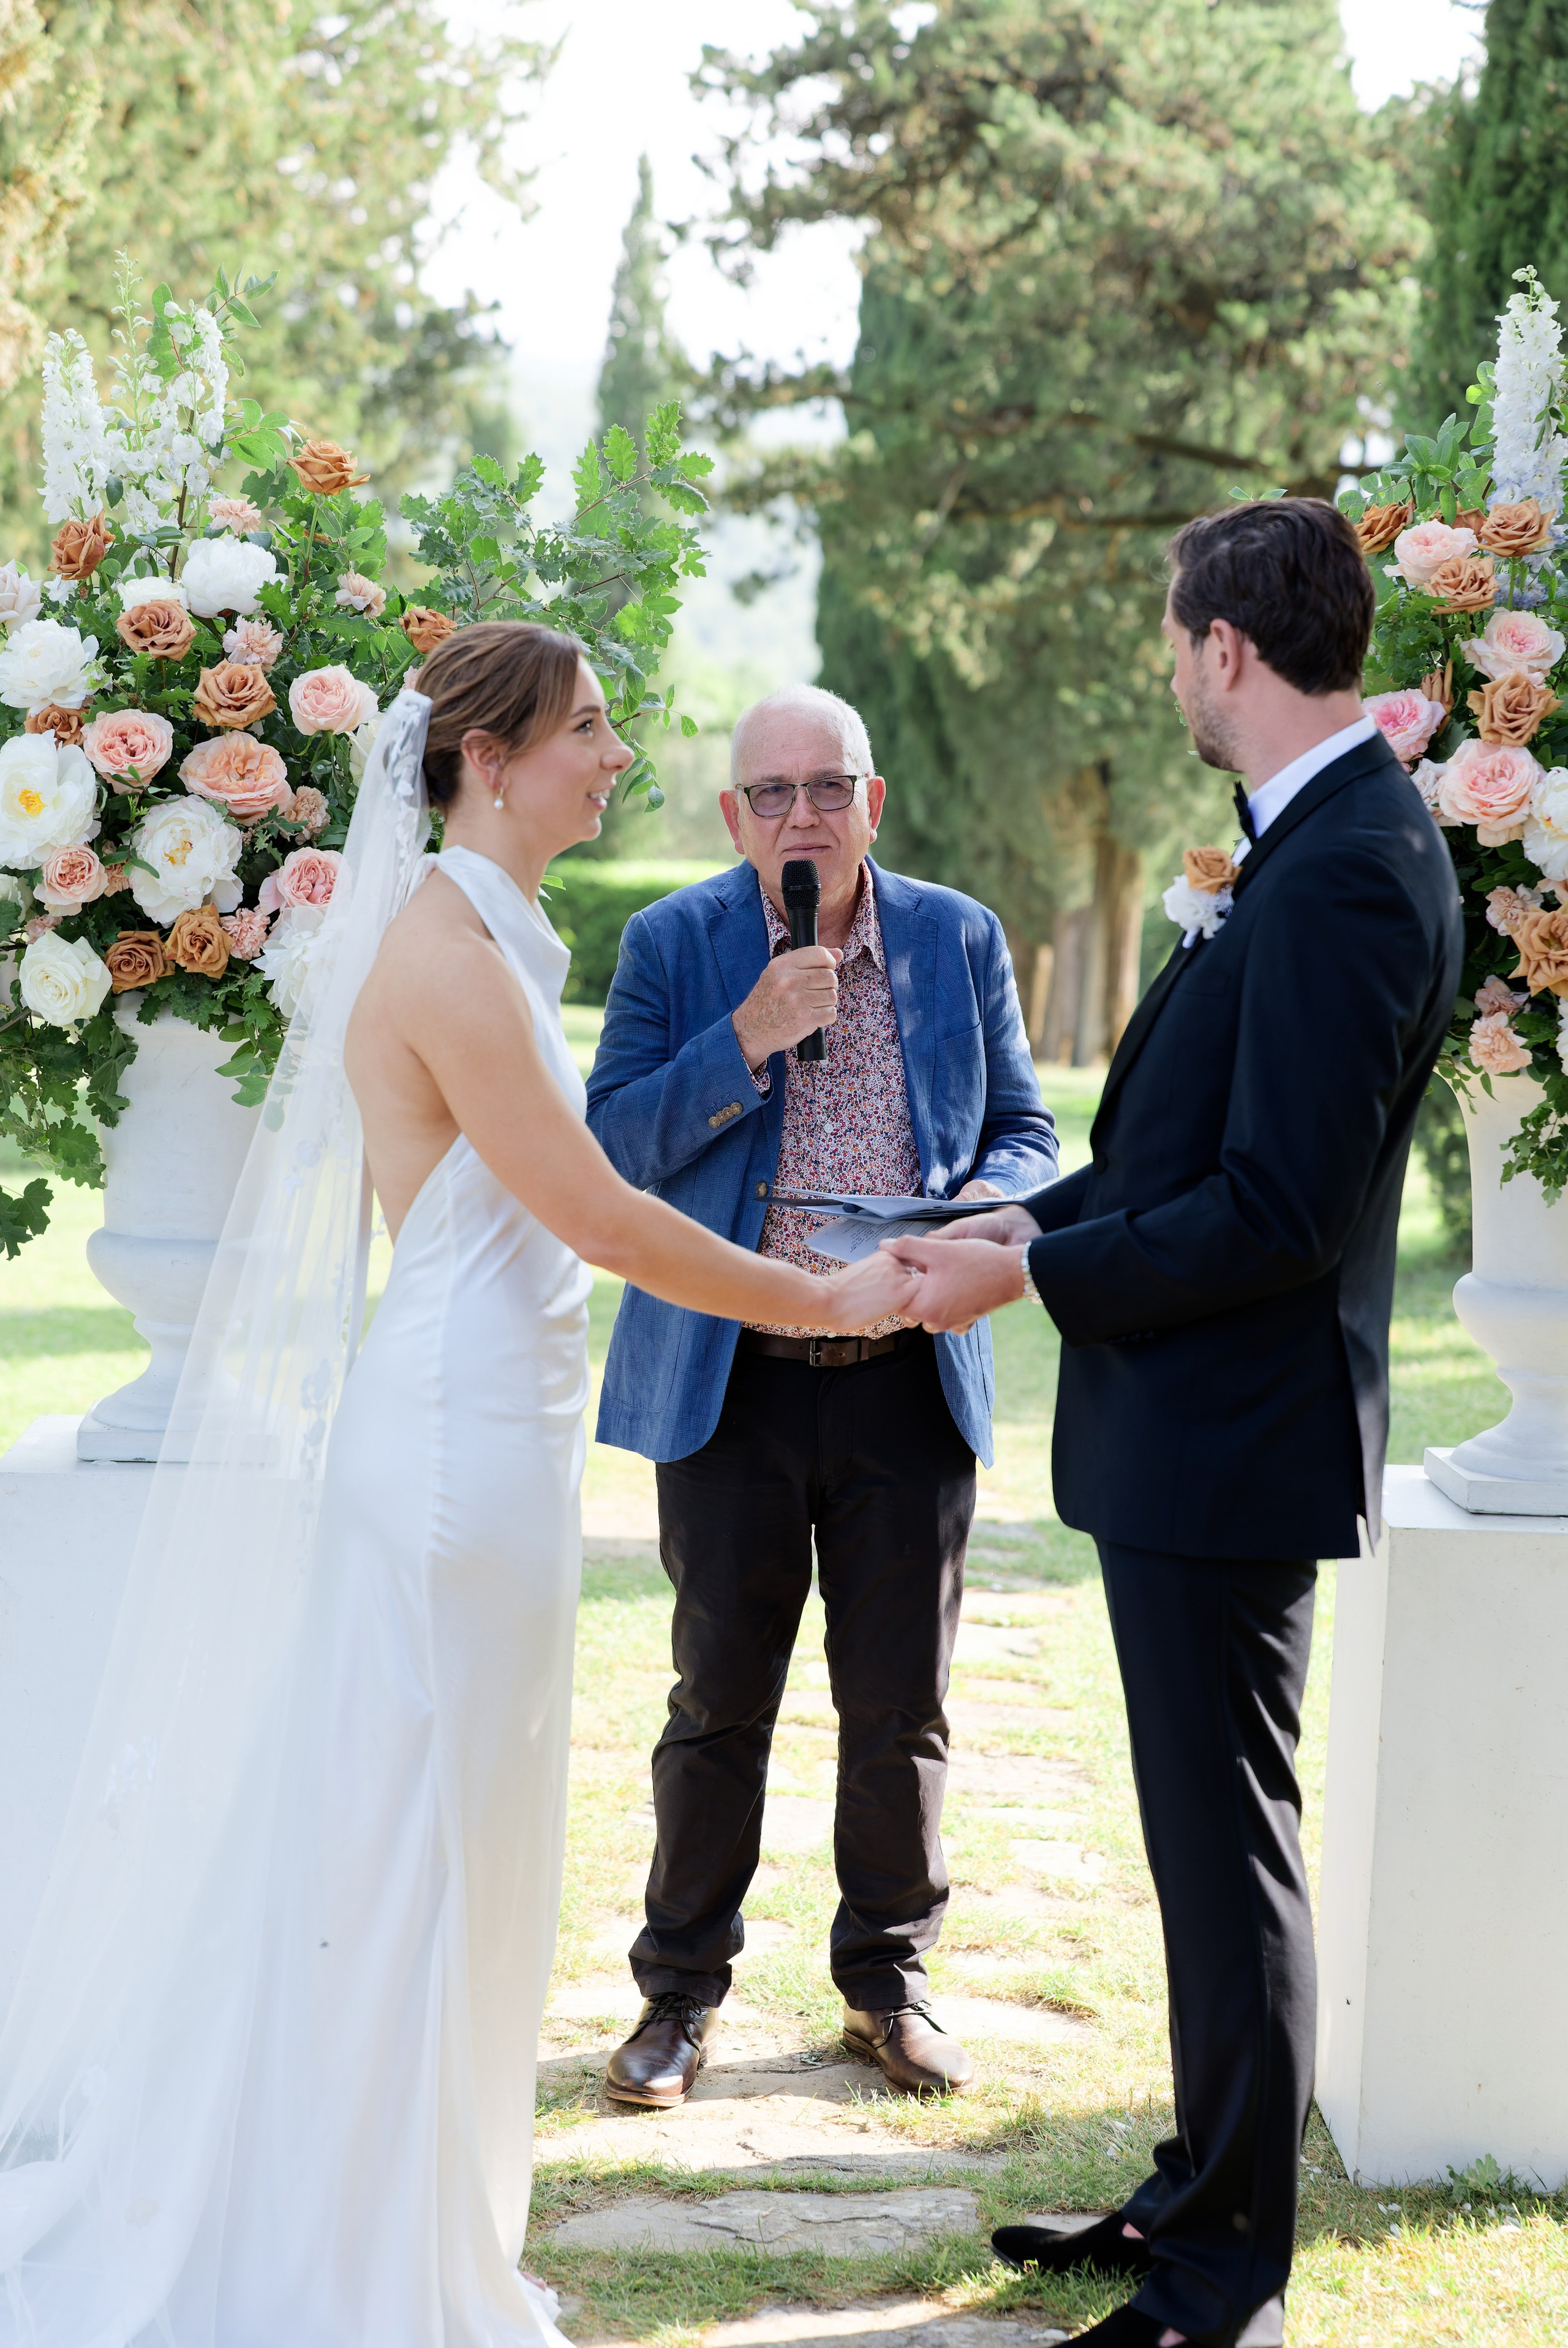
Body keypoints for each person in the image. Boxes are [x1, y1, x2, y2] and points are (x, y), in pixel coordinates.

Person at [0, 625, 915, 2348]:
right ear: (487, 760)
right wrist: (820, 1296)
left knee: (460, 1843)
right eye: (588, 731)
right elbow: (601, 1214)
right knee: (407, 1855)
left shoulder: (499, 926)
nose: (616, 760)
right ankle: (361, 2254)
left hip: (500, 1427)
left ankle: (422, 2210)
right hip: (444, 1456)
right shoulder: (442, 955)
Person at [884, 501, 1463, 2348]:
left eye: (1174, 638)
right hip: (1192, 1434)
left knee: (1229, 1851)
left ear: (1224, 648)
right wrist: (1017, 1224)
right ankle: (1197, 2186)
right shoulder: (1306, 843)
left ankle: (1230, 2280)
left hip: (1232, 1438)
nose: (1171, 669)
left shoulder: (1356, 862)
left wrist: (1028, 1287)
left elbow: (1278, 1211)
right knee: (1198, 1846)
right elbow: (1167, 1163)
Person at [584, 682, 1057, 2108]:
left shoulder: (955, 933)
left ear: (873, 800)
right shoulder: (677, 941)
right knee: (717, 1700)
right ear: (733, 816)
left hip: (906, 1375)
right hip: (730, 1379)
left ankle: (887, 1985)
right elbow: (609, 1147)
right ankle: (676, 1998)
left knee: (898, 1705)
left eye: (825, 788)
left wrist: (989, 1200)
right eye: (772, 794)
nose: (801, 816)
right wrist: (742, 1038)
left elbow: (1027, 1128)